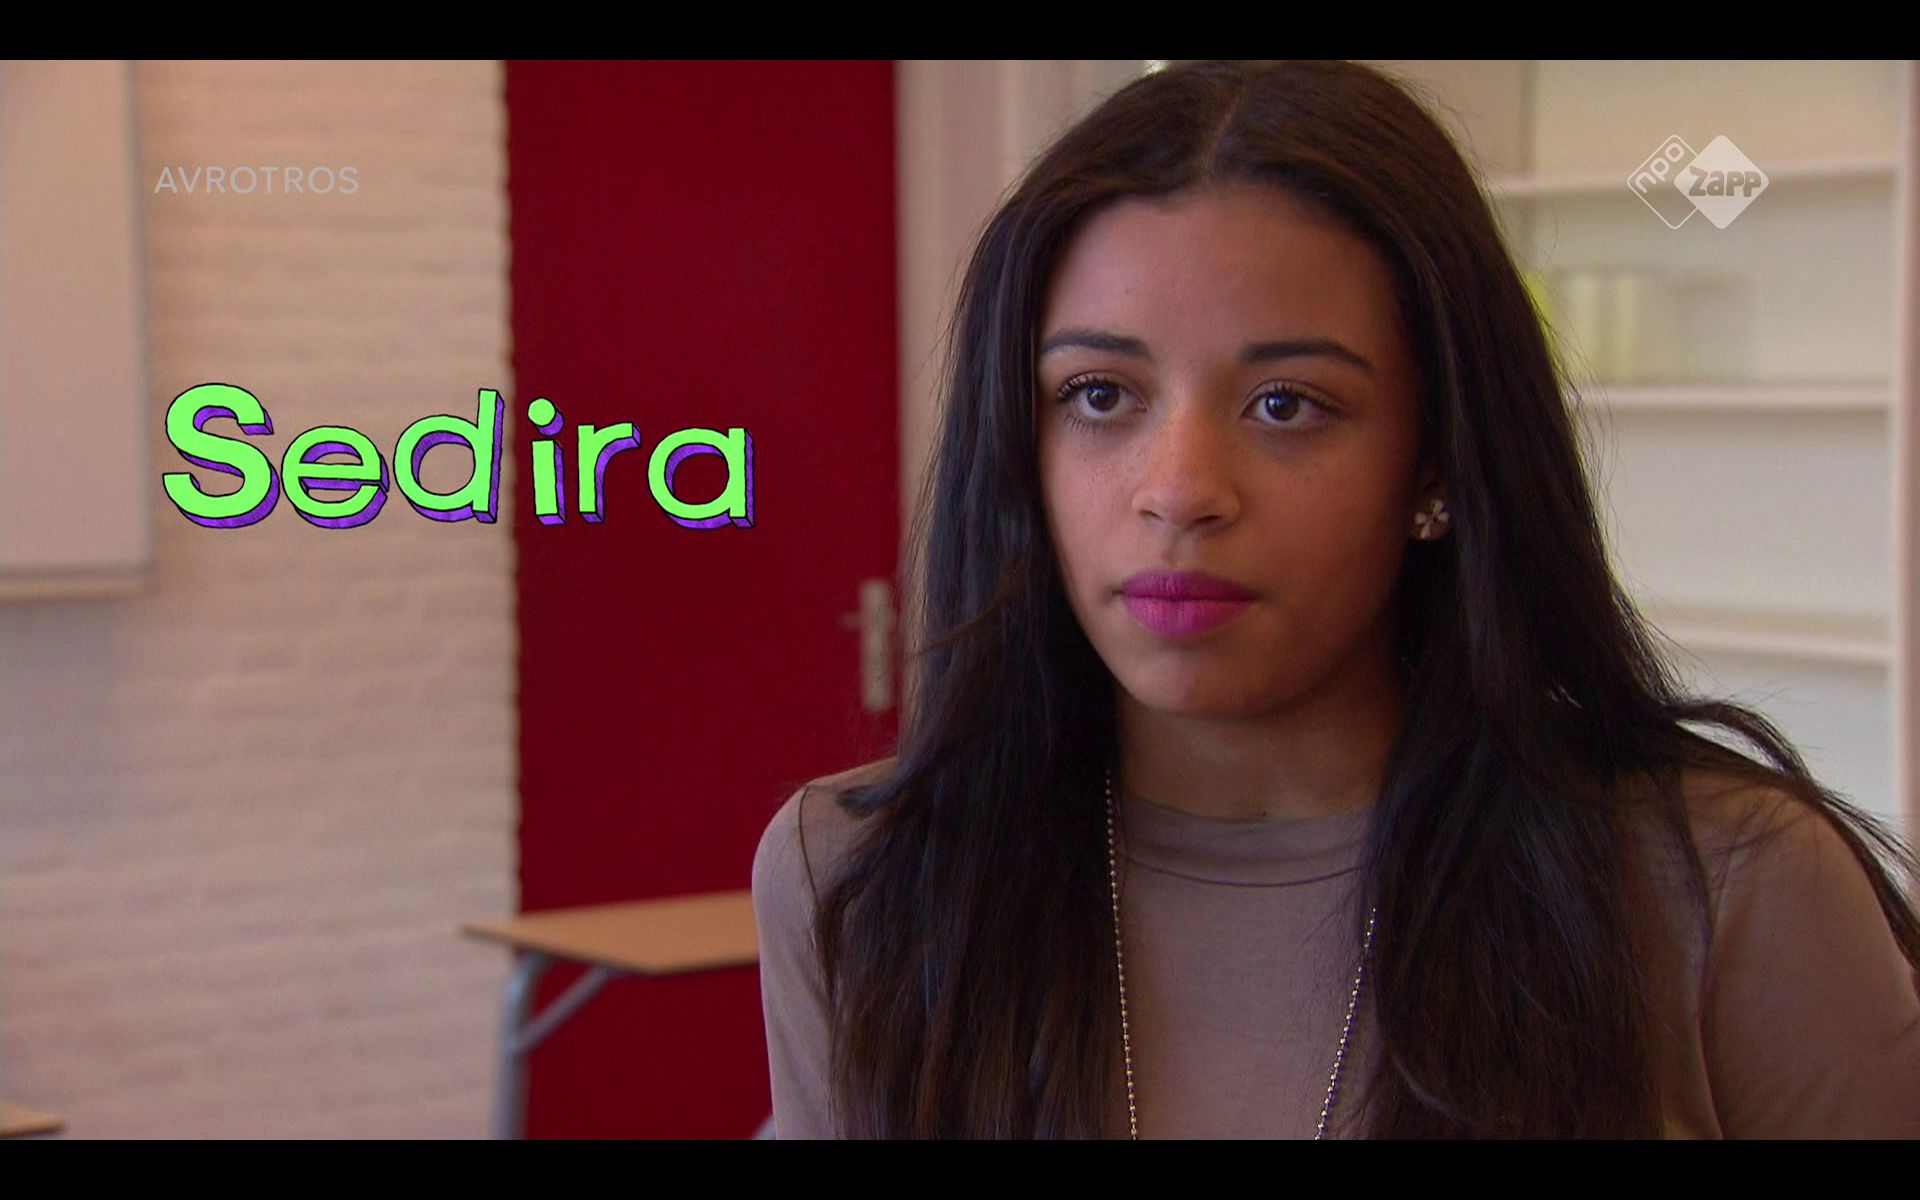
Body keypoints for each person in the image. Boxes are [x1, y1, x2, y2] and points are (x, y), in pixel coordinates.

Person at [750, 59, 1920, 1138]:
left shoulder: (1721, 889)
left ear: (1436, 464)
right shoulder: (856, 884)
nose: (1180, 491)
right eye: (1099, 394)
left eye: (1287, 405)